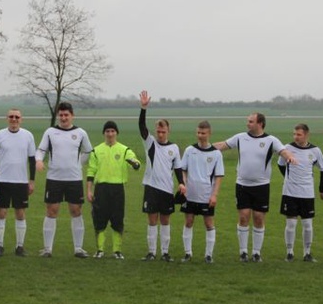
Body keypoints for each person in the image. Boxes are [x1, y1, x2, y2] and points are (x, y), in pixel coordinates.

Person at [215, 112, 295, 262]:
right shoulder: (240, 137)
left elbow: (283, 151)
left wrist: (289, 157)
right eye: (248, 121)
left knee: (258, 218)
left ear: (260, 124)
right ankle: (243, 252)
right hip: (242, 185)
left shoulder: (271, 140)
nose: (248, 124)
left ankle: (256, 253)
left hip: (261, 186)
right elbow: (222, 145)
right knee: (244, 217)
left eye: (251, 121)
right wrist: (204, 148)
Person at [35, 102, 93, 258]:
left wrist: (78, 163)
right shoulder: (50, 132)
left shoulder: (80, 133)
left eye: (66, 115)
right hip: (54, 179)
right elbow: (40, 150)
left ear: (72, 115)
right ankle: (47, 249)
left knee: (76, 211)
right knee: (51, 211)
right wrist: (39, 160)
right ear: (58, 116)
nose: (63, 118)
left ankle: (78, 249)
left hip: (74, 179)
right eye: (61, 115)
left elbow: (88, 151)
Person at [138, 91, 186, 262]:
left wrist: (181, 183)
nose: (160, 133)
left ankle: (165, 253)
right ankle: (151, 252)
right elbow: (142, 128)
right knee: (152, 221)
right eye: (158, 130)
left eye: (162, 131)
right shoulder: (150, 144)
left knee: (165, 221)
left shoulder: (174, 148)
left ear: (168, 130)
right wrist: (143, 108)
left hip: (167, 189)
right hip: (151, 188)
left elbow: (178, 168)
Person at [86, 120, 140, 259]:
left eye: (112, 131)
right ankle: (100, 250)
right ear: (104, 133)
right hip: (101, 189)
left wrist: (135, 163)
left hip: (117, 189)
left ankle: (117, 251)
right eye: (107, 131)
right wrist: (89, 190)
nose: (110, 134)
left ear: (117, 133)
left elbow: (135, 161)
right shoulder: (96, 150)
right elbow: (91, 171)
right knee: (99, 219)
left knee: (117, 219)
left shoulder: (124, 150)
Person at [0, 108, 36, 257]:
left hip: (21, 181)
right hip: (2, 181)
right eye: (11, 116)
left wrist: (32, 181)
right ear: (7, 118)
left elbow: (32, 161)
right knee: (1, 213)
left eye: (17, 117)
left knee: (20, 214)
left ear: (21, 119)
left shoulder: (28, 136)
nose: (14, 119)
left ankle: (19, 247)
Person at [277, 123, 323, 262]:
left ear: (306, 135)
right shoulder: (287, 148)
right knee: (291, 223)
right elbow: (280, 165)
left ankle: (307, 253)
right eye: (294, 134)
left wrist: (322, 188)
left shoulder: (315, 150)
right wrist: (288, 178)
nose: (295, 137)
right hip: (290, 192)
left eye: (298, 134)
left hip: (307, 193)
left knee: (307, 224)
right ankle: (289, 252)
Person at [180, 120, 224, 264]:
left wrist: (214, 195)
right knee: (188, 221)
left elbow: (218, 177)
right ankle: (188, 253)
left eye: (203, 133)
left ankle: (209, 255)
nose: (200, 135)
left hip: (206, 195)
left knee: (209, 223)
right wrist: (184, 184)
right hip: (190, 195)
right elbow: (183, 170)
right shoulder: (189, 150)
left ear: (209, 133)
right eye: (198, 132)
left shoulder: (216, 154)